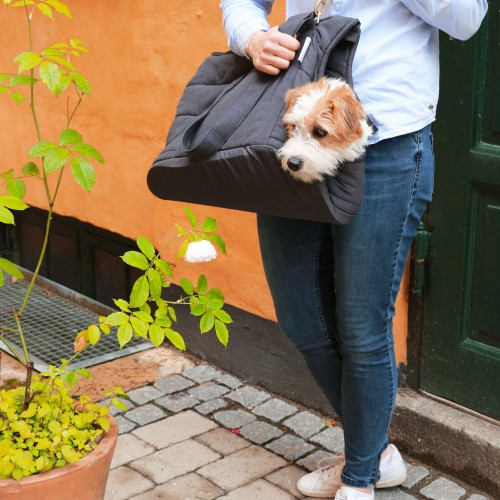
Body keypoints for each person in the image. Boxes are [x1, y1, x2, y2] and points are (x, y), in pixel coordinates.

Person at [220, 1, 488, 499]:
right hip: (294, 131)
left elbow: (467, 19)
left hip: (387, 143)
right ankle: (379, 453)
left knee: (364, 326)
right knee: (300, 317)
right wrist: (251, 35)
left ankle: (360, 475)